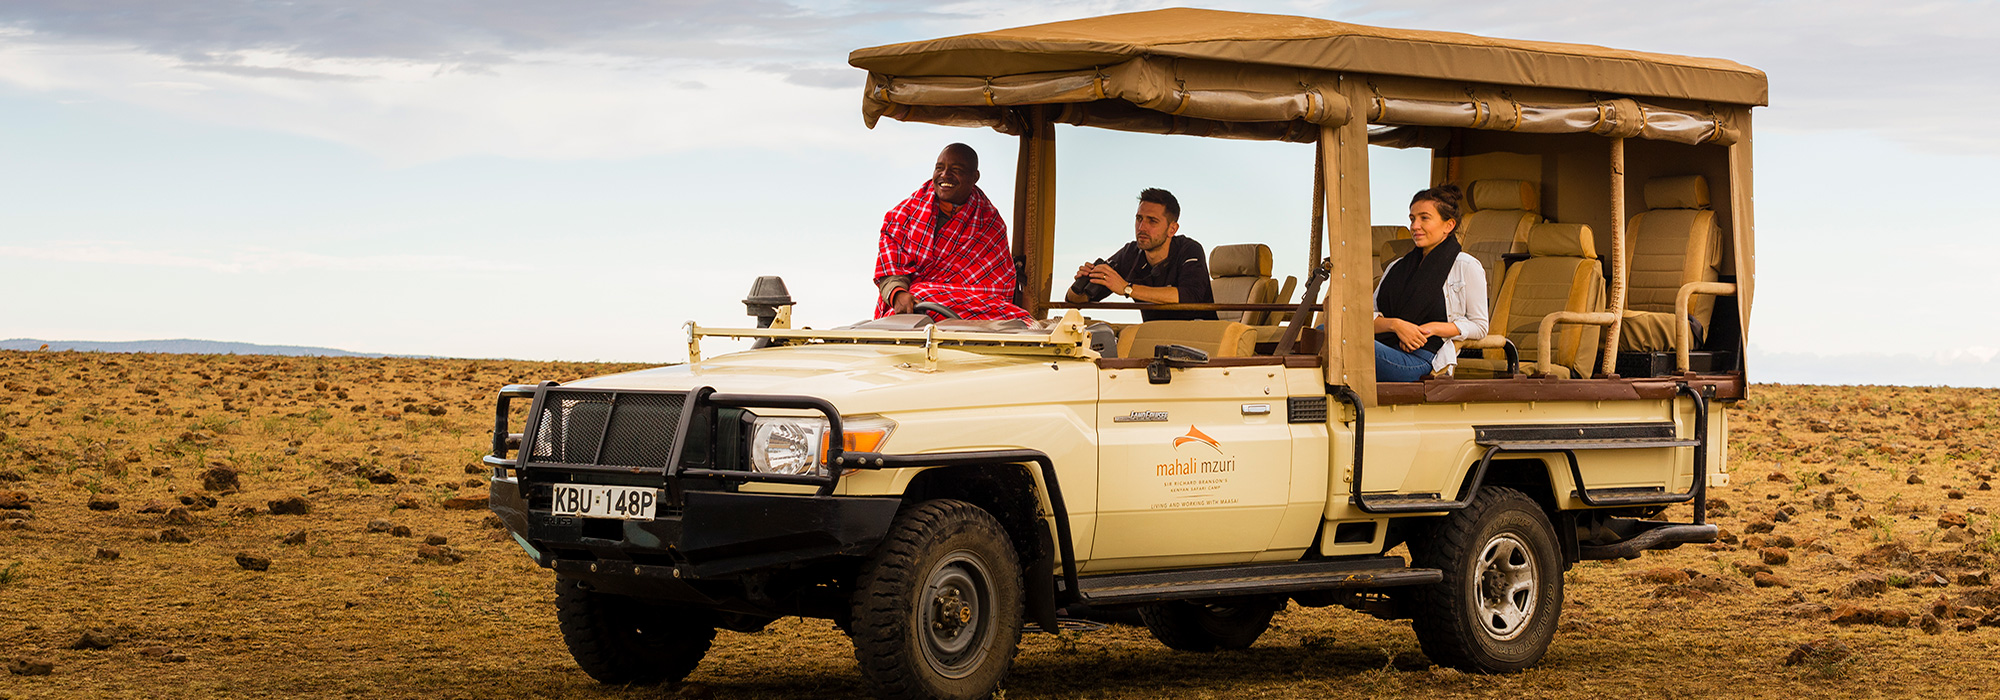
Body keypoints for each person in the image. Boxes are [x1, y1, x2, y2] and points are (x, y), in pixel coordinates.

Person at [872, 143, 1030, 321]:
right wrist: (898, 294)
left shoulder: (989, 221)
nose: (945, 175)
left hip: (974, 310)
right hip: (913, 307)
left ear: (974, 177)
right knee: (920, 294)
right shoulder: (904, 214)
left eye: (956, 169)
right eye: (939, 168)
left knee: (1022, 321)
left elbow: (998, 287)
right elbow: (890, 268)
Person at [1372, 185, 1489, 382]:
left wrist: (1432, 329)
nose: (1414, 226)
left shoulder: (1465, 266)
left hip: (1426, 360)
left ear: (1448, 225)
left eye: (1424, 218)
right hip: (1388, 348)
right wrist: (1396, 326)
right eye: (1412, 219)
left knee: (1341, 343)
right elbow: (1365, 319)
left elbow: (1479, 326)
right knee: (1326, 333)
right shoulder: (1396, 267)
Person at [1064, 188, 1216, 321]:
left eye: (1152, 221)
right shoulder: (1131, 253)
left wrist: (1127, 288)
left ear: (1172, 229)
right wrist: (1079, 286)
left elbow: (1189, 296)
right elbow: (1076, 301)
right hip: (1154, 339)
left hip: (1199, 339)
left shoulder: (1189, 249)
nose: (1142, 227)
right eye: (1139, 219)